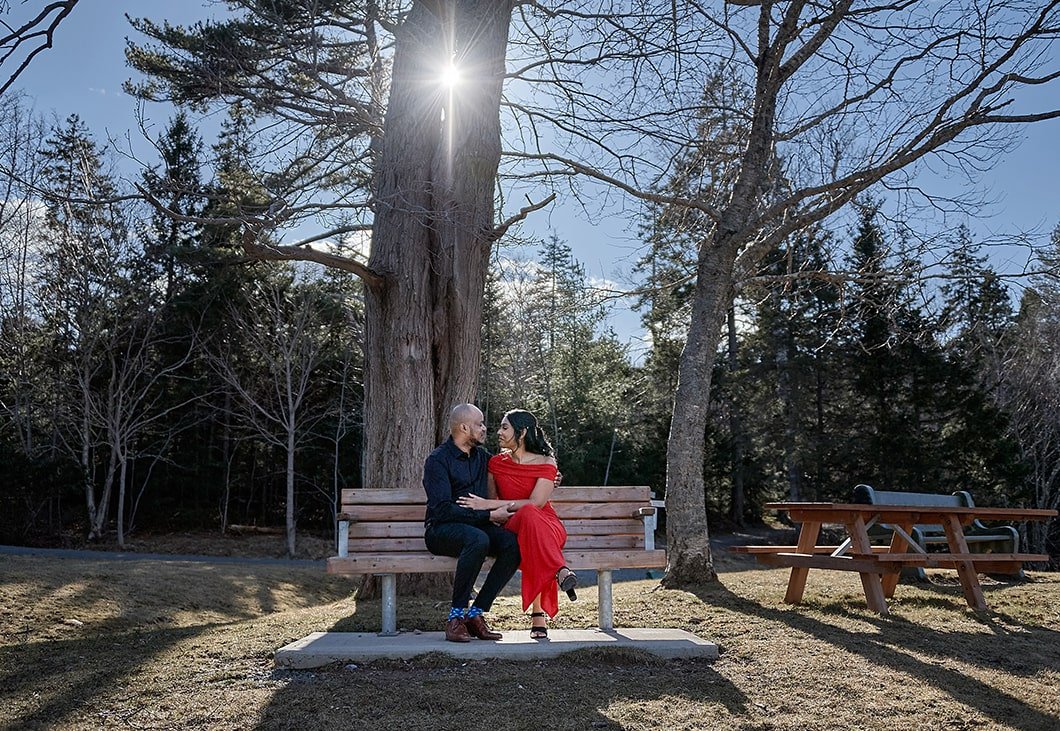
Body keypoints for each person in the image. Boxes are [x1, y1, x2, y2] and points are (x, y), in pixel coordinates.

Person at [458, 408, 576, 640]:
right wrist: (487, 505)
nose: (498, 432)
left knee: (532, 517)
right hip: (512, 526)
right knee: (530, 523)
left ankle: (540, 613)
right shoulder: (495, 463)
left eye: (505, 427)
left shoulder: (546, 461)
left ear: (521, 432)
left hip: (546, 524)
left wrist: (485, 504)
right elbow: (496, 504)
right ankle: (558, 572)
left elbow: (537, 503)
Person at [423, 403, 520, 643]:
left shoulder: (483, 458)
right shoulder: (437, 460)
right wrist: (487, 516)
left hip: (477, 528)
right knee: (478, 539)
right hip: (441, 531)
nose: (485, 428)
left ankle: (475, 614)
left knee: (512, 544)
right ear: (464, 427)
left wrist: (549, 474)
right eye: (480, 424)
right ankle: (455, 619)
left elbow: (519, 467)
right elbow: (442, 510)